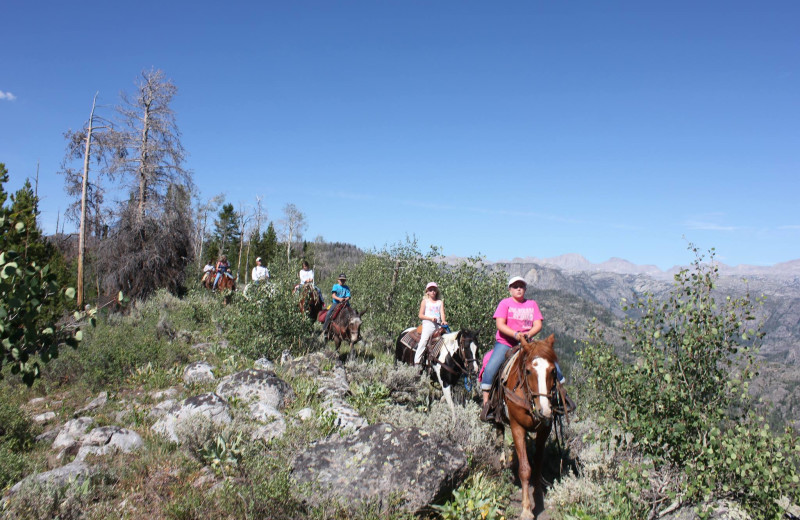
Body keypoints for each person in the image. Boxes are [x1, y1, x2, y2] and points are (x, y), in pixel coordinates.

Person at [480, 276, 564, 418]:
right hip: (506, 342)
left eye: (521, 286)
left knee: (551, 363)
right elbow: (500, 325)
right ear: (510, 289)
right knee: (490, 367)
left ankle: (561, 398)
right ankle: (487, 404)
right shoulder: (505, 303)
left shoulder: (532, 304)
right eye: (515, 286)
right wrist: (516, 334)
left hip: (527, 343)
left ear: (525, 289)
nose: (518, 289)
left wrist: (527, 334)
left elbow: (538, 324)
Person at [414, 282, 448, 368]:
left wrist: (443, 321)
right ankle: (417, 362)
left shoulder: (440, 302)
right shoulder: (425, 301)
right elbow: (420, 315)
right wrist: (430, 318)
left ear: (437, 291)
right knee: (424, 341)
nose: (433, 291)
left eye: (434, 290)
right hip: (428, 324)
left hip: (438, 325)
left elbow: (442, 313)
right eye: (430, 290)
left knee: (447, 340)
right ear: (427, 292)